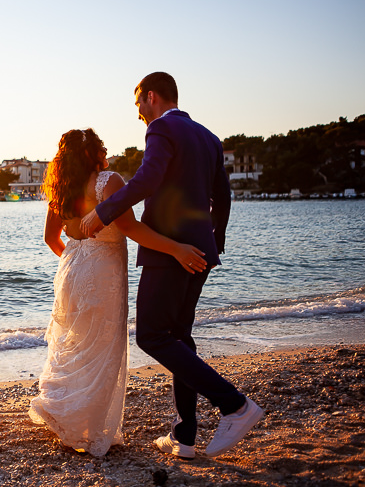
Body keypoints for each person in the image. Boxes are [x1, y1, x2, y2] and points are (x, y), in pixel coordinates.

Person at [81, 72, 263, 460]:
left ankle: (235, 405)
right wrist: (215, 240)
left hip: (171, 250)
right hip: (201, 249)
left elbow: (147, 181)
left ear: (151, 97)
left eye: (138, 106)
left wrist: (104, 211)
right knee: (179, 336)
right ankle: (185, 435)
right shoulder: (209, 137)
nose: (139, 115)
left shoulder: (162, 129)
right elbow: (223, 197)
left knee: (151, 335)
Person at [29, 127, 208, 457]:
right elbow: (132, 228)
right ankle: (89, 427)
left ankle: (65, 414)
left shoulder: (62, 188)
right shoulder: (107, 181)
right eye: (101, 148)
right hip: (105, 274)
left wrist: (77, 260)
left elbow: (51, 239)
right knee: (102, 351)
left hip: (71, 273)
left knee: (76, 346)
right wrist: (177, 249)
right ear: (92, 153)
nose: (105, 153)